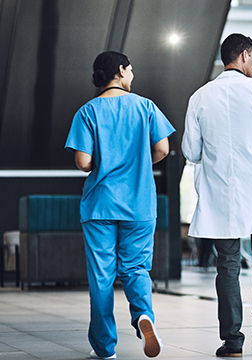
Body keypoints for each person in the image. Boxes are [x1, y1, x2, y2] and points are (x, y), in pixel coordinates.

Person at [181, 33, 252, 357]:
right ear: (244, 55)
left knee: (228, 264)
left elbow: (190, 151)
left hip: (222, 195)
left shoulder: (200, 97)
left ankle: (232, 341)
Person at [65, 50, 174, 359]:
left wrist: (102, 164)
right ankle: (144, 317)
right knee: (136, 268)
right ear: (121, 71)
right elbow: (163, 149)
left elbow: (83, 161)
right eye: (131, 70)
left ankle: (104, 348)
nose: (133, 75)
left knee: (101, 276)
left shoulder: (87, 112)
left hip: (99, 205)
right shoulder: (146, 107)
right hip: (139, 203)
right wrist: (139, 162)